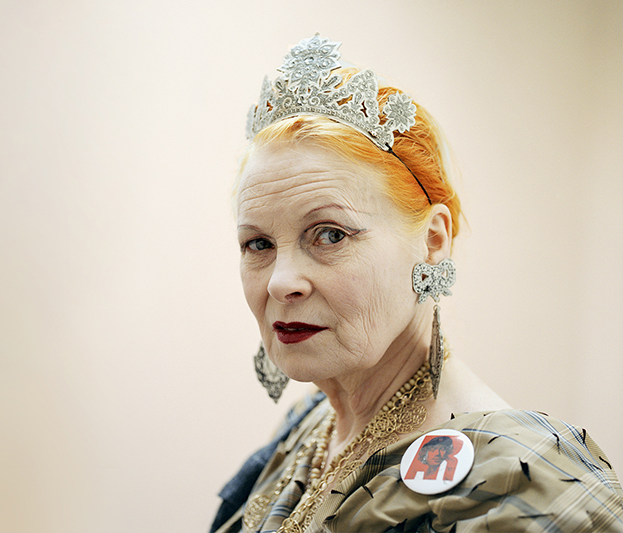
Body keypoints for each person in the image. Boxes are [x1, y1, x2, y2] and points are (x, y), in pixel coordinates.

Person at [212, 35, 623, 533]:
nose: (281, 282)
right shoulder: (311, 426)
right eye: (257, 244)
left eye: (328, 234)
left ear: (432, 241)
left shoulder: (516, 489)